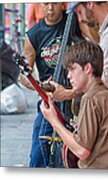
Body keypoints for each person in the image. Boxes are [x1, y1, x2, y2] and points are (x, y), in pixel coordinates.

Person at [49, 2, 108, 160]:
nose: (80, 19)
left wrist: (68, 94)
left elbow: (104, 79)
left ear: (91, 4)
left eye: (79, 12)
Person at [40, 40, 108, 169]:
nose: (68, 76)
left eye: (72, 69)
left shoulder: (91, 99)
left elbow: (82, 150)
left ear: (87, 68)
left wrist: (53, 120)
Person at [20, 2, 83, 167]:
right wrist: (40, 86)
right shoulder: (33, 35)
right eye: (46, 3)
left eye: (54, 3)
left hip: (76, 99)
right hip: (50, 101)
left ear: (63, 4)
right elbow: (23, 76)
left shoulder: (75, 22)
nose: (50, 8)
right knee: (37, 156)